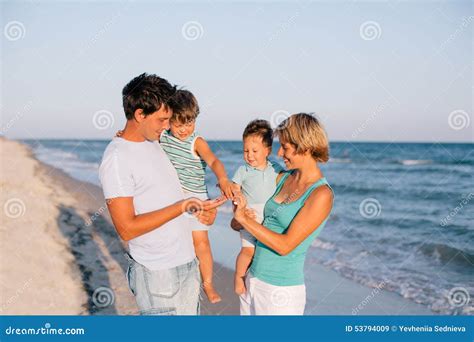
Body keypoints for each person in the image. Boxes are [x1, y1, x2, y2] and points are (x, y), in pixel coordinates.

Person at [99, 73, 225, 315]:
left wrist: (200, 212)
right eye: (162, 120)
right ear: (139, 115)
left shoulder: (155, 142)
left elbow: (171, 191)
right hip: (158, 275)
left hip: (187, 263)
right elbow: (126, 228)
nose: (168, 126)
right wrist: (181, 206)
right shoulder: (117, 159)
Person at [233, 113, 334, 315]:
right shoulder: (283, 177)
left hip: (280, 293)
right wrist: (236, 217)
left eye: (285, 147)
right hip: (251, 278)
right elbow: (256, 212)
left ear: (304, 147)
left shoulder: (321, 194)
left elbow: (285, 245)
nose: (279, 153)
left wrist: (244, 219)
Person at [160, 89, 235, 303]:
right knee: (175, 241)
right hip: (173, 196)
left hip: (196, 196)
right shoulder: (163, 137)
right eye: (178, 124)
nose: (184, 129)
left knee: (200, 242)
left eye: (189, 123)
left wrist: (222, 179)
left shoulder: (196, 142)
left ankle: (208, 284)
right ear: (169, 121)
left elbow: (213, 161)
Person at [229, 119, 283, 296]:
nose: (249, 155)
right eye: (246, 151)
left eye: (254, 151)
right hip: (249, 215)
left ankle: (261, 279)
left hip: (268, 216)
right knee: (247, 250)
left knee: (264, 250)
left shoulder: (276, 168)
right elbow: (234, 187)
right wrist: (237, 198)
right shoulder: (243, 170)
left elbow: (286, 182)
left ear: (267, 150)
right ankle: (238, 277)